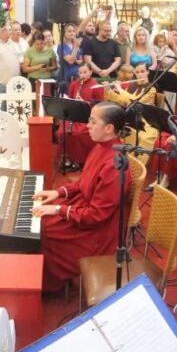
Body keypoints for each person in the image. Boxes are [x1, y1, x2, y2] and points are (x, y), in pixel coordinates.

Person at [33, 101, 129, 292]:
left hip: (97, 233)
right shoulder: (101, 147)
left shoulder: (114, 165)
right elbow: (85, 181)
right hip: (84, 211)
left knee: (42, 231)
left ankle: (48, 284)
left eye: (93, 122)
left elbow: (95, 215)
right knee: (39, 221)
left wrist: (59, 209)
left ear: (109, 128)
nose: (87, 126)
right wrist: (59, 192)